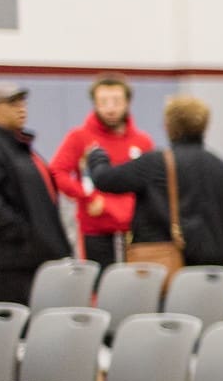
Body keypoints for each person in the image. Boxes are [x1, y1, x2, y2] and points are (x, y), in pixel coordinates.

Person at [85, 95, 223, 271]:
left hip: (164, 266)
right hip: (215, 268)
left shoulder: (156, 163)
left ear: (169, 126)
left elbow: (105, 179)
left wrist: (97, 155)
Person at [48, 74, 154, 270]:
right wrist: (86, 197)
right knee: (98, 286)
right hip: (95, 228)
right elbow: (57, 172)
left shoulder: (142, 141)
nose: (110, 108)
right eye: (103, 102)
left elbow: (152, 182)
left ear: (127, 102)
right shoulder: (79, 137)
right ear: (95, 103)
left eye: (116, 101)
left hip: (134, 230)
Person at [0, 82, 71, 306]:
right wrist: (23, 233)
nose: (21, 108)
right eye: (12, 103)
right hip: (11, 264)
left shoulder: (20, 146)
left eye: (22, 102)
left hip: (37, 259)